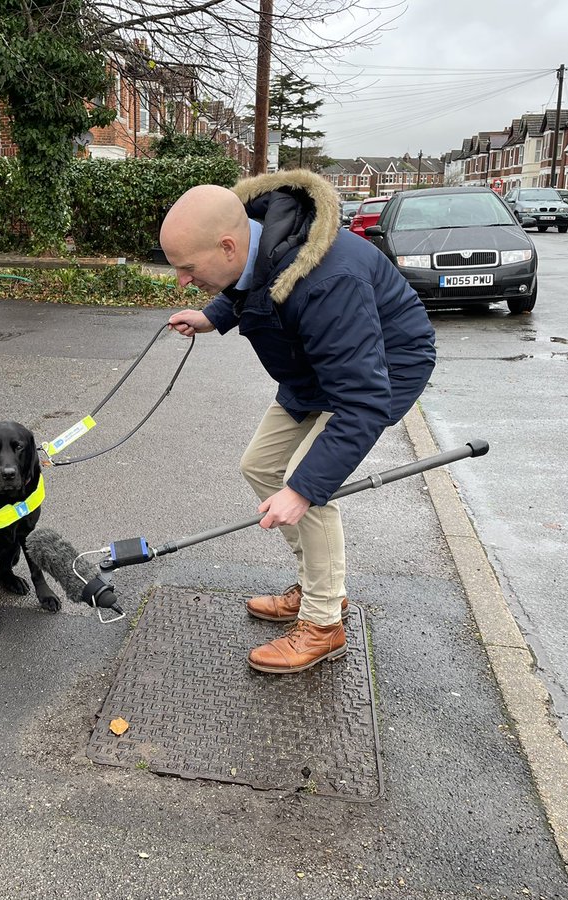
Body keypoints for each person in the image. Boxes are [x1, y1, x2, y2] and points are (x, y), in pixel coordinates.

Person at [163, 173, 436, 674]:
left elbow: (362, 401)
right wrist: (213, 316)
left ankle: (323, 621)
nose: (182, 280)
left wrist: (305, 489)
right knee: (259, 466)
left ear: (226, 245)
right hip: (315, 364)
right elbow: (254, 282)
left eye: (187, 268)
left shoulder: (329, 281)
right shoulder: (261, 239)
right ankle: (317, 583)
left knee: (307, 487)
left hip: (381, 369)